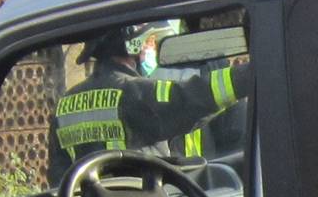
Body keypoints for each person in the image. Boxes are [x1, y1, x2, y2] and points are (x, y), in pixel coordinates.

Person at [52, 23, 249, 167]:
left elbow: (58, 179)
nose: (151, 47)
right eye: (149, 41)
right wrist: (249, 75)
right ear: (133, 45)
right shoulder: (132, 93)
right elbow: (189, 99)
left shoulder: (64, 106)